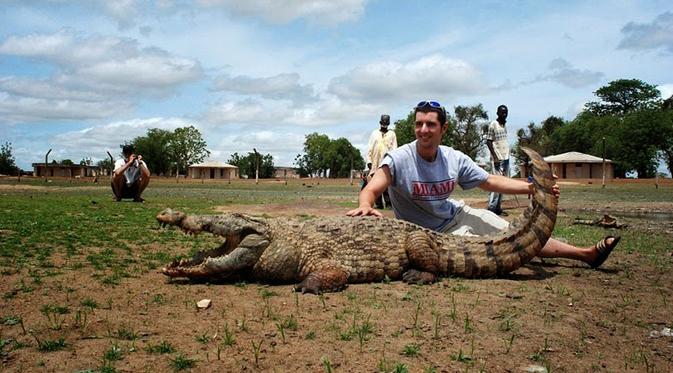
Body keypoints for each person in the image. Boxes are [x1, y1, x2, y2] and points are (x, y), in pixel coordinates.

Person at [347, 100, 619, 269]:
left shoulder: (454, 158)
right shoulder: (400, 157)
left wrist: (530, 188)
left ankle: (585, 255)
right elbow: (373, 186)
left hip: (457, 215)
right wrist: (365, 205)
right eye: (419, 124)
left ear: (444, 128)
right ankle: (585, 254)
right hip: (427, 236)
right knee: (505, 248)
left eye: (430, 124)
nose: (423, 130)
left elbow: (489, 181)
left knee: (515, 232)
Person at [367, 114, 397, 209]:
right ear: (380, 123)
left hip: (386, 163)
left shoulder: (392, 134)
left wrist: (392, 161)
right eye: (383, 123)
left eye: (386, 123)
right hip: (375, 162)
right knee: (375, 184)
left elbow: (394, 148)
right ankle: (378, 204)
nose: (384, 125)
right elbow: (370, 148)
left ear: (388, 124)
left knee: (386, 185)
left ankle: (388, 204)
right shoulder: (374, 133)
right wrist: (369, 160)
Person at [486, 104, 510, 215]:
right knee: (496, 184)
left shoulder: (504, 125)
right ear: (497, 113)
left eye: (506, 112)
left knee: (504, 184)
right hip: (497, 159)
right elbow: (489, 141)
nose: (504, 114)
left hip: (506, 158)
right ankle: (491, 209)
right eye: (502, 112)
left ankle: (498, 208)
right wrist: (495, 157)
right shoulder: (493, 124)